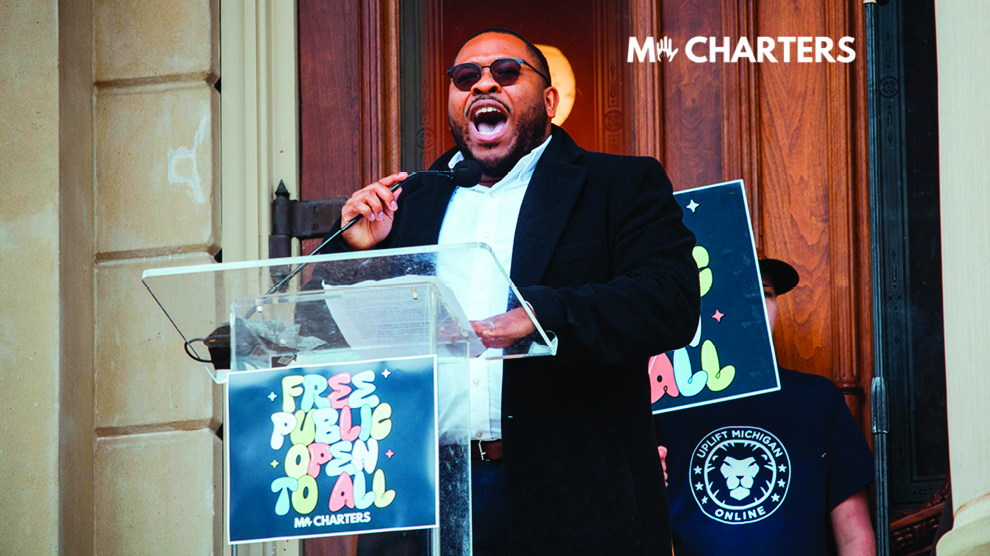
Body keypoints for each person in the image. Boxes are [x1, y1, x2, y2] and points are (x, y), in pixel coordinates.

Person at [319, 27, 700, 556]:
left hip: (573, 499)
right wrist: (355, 253)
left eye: (505, 72)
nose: (482, 86)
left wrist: (544, 314)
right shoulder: (409, 202)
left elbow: (671, 301)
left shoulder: (619, 185)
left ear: (548, 100)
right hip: (424, 495)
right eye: (466, 77)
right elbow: (315, 328)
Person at [655, 254, 876, 556]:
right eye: (744, 291)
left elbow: (854, 538)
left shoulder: (817, 399)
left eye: (767, 293)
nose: (758, 305)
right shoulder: (669, 405)